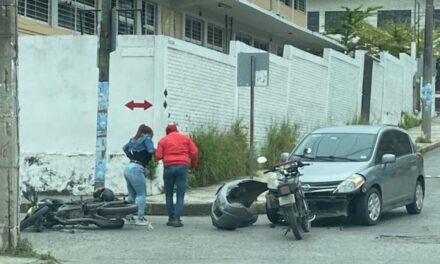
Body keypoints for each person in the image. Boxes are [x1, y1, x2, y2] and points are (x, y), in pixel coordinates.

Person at [155, 123, 199, 227]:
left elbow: (158, 156)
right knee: (180, 194)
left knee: (169, 194)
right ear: (176, 130)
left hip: (168, 168)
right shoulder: (186, 138)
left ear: (167, 132)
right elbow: (195, 151)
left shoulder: (163, 140)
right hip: (182, 167)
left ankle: (170, 219)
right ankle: (177, 219)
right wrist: (192, 165)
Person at [123, 124, 155, 227]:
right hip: (137, 168)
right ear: (149, 132)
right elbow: (151, 150)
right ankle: (140, 218)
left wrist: (130, 156)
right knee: (142, 194)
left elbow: (124, 148)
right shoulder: (147, 138)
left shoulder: (132, 139)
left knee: (131, 195)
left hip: (128, 167)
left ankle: (128, 217)